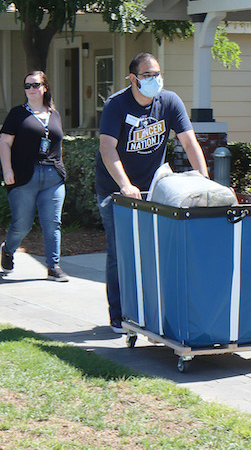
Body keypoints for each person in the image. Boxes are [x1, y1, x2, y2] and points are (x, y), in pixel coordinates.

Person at [96, 53, 209, 333]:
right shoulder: (117, 104)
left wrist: (205, 181)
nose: (154, 79)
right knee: (121, 251)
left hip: (153, 189)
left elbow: (189, 142)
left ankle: (150, 312)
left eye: (157, 74)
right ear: (133, 78)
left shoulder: (169, 101)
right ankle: (119, 314)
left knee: (154, 251)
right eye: (147, 75)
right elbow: (107, 148)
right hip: (116, 190)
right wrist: (125, 184)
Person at [0, 71, 68, 281]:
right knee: (22, 224)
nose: (31, 89)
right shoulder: (17, 114)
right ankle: (8, 249)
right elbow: (4, 143)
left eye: (35, 85)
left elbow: (57, 144)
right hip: (23, 176)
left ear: (45, 87)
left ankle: (53, 266)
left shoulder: (54, 114)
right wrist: (7, 170)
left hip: (53, 177)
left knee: (52, 223)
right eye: (27, 86)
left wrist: (60, 169)